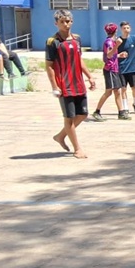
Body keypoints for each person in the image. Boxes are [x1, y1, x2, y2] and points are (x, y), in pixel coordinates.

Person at [45, 9, 95, 159]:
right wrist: (54, 86)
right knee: (69, 117)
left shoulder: (77, 39)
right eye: (62, 22)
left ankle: (60, 136)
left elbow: (79, 59)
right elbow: (49, 66)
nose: (66, 24)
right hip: (64, 85)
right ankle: (77, 148)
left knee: (83, 114)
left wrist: (90, 76)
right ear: (56, 23)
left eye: (68, 21)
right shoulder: (53, 42)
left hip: (78, 83)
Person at [90, 23, 123, 121]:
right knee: (110, 92)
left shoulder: (111, 41)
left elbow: (110, 56)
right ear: (115, 31)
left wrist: (119, 55)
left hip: (114, 69)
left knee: (117, 91)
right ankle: (97, 111)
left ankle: (121, 112)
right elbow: (109, 55)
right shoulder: (109, 42)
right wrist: (117, 45)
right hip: (110, 70)